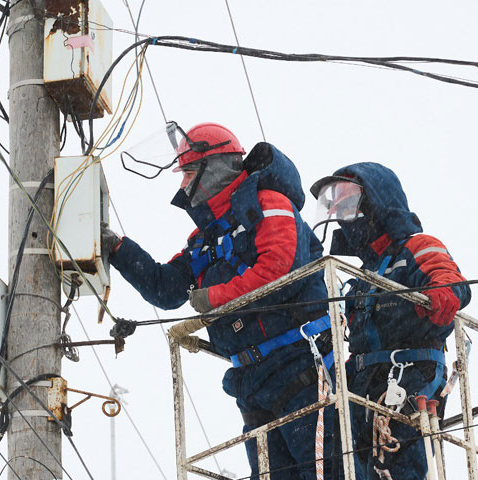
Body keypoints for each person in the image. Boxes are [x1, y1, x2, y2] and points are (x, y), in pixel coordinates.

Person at [103, 123, 363, 479]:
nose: (183, 185)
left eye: (189, 173)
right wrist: (117, 248)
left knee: (326, 473)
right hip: (253, 383)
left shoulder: (271, 204)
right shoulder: (205, 238)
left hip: (302, 365)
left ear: (217, 168)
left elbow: (278, 270)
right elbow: (166, 290)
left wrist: (214, 298)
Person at [310, 163, 472, 480]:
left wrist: (443, 292)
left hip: (410, 375)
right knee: (340, 464)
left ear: (375, 203)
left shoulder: (418, 246)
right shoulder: (361, 278)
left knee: (400, 465)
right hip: (362, 380)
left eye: (349, 205)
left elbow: (451, 281)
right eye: (338, 209)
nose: (343, 215)